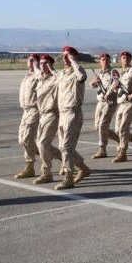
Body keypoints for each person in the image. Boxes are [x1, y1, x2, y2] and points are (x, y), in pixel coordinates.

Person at [55, 47, 91, 190]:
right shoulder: (62, 74)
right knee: (62, 147)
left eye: (68, 56)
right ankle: (83, 168)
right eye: (64, 56)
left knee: (66, 147)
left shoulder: (78, 72)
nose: (65, 59)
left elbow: (82, 76)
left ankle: (68, 178)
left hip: (72, 113)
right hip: (62, 113)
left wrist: (73, 60)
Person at [33, 54, 62, 184]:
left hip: (52, 114)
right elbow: (36, 71)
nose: (43, 66)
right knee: (42, 144)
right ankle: (67, 159)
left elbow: (60, 78)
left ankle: (47, 173)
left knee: (43, 143)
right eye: (41, 63)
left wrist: (51, 69)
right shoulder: (41, 79)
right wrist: (34, 63)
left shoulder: (55, 79)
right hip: (42, 114)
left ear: (51, 65)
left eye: (46, 63)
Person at [110, 51, 132, 162]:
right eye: (123, 58)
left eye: (127, 58)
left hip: (130, 104)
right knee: (117, 130)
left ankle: (123, 152)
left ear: (130, 59)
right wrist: (115, 87)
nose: (125, 60)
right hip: (121, 103)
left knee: (123, 128)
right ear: (120, 60)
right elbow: (118, 89)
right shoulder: (121, 73)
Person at [14, 54, 42, 179]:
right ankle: (52, 155)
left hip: (35, 110)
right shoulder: (27, 77)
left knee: (27, 138)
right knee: (22, 140)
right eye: (29, 60)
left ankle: (29, 167)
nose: (30, 62)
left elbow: (42, 78)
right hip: (25, 111)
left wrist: (36, 66)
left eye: (33, 60)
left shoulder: (39, 75)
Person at [90, 53, 119, 158]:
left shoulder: (113, 72)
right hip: (100, 102)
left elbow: (116, 83)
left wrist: (108, 93)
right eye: (103, 60)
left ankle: (102, 149)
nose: (105, 61)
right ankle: (119, 139)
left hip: (110, 102)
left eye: (107, 60)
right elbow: (93, 86)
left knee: (102, 125)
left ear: (110, 61)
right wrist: (94, 82)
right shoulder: (100, 74)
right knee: (98, 126)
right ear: (100, 62)